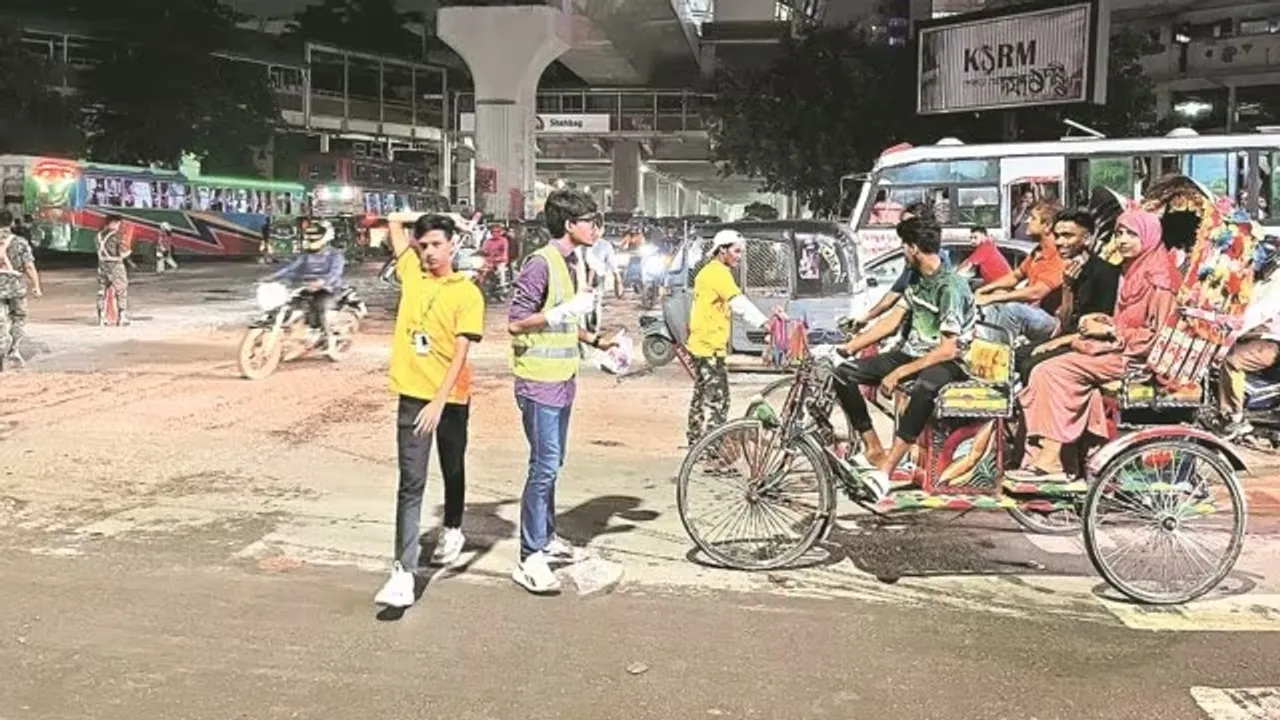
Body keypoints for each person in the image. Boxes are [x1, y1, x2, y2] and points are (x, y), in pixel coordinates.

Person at [1012, 208, 1179, 480]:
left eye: (1132, 234)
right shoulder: (1131, 270)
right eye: (1119, 233)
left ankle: (1051, 459)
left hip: (1135, 359)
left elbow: (1157, 335)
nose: (1123, 240)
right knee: (1042, 367)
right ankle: (1056, 458)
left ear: (1148, 237)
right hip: (1114, 349)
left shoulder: (1158, 279)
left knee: (1052, 371)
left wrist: (1110, 330)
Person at [374, 212, 485, 609]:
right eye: (423, 245)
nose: (429, 252)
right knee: (411, 482)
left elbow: (461, 351)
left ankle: (452, 527)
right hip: (412, 396)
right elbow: (392, 221)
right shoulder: (411, 274)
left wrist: (440, 400)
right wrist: (447, 216)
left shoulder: (466, 292)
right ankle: (403, 572)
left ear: (453, 244)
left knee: (452, 467)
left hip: (450, 399)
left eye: (437, 244)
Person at [507, 188, 615, 594]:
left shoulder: (574, 262)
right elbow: (516, 323)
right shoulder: (541, 263)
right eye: (590, 221)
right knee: (544, 466)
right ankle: (529, 556)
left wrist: (596, 340)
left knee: (553, 463)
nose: (596, 228)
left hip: (562, 379)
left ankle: (547, 538)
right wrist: (561, 312)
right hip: (538, 382)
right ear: (569, 225)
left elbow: (564, 323)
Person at [830, 217, 975, 496]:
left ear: (913, 248)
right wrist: (850, 348)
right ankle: (873, 448)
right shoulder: (919, 280)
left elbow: (947, 348)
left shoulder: (950, 288)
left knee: (924, 389)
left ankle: (886, 472)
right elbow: (893, 321)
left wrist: (898, 374)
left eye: (903, 246)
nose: (903, 252)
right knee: (843, 373)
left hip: (948, 362)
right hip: (912, 354)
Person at [684, 230, 773, 447]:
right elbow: (738, 303)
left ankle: (695, 442)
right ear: (722, 250)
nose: (739, 256)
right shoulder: (717, 274)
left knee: (701, 396)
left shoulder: (710, 271)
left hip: (701, 344)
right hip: (709, 347)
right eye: (735, 251)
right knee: (719, 400)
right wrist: (765, 323)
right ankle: (712, 451)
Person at [1018, 209, 1121, 378]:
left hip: (1090, 344)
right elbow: (1065, 322)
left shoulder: (1105, 272)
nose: (1060, 242)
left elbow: (1101, 325)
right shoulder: (1070, 271)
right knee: (1016, 355)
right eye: (1057, 236)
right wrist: (1067, 287)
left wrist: (1057, 342)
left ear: (1087, 239)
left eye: (1067, 236)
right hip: (1068, 338)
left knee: (1031, 365)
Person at [845, 202, 949, 331]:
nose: (903, 230)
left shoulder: (934, 262)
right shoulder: (914, 263)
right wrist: (864, 318)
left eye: (908, 224)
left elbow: (893, 308)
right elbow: (894, 294)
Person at [974, 200, 1064, 346]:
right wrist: (984, 291)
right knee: (998, 296)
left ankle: (998, 353)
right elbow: (1016, 275)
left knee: (1010, 308)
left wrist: (992, 298)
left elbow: (1037, 292)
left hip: (1050, 320)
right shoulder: (1037, 252)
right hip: (1030, 310)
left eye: (1033, 218)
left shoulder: (1058, 255)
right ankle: (985, 345)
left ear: (1047, 226)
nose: (1027, 221)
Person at [1215, 238, 1280, 438]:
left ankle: (1235, 417)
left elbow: (1261, 312)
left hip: (1272, 341)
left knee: (1232, 360)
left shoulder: (1277, 282)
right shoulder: (1259, 279)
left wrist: (1234, 328)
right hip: (1253, 335)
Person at [264, 224, 345, 350]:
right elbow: (291, 268)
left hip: (328, 290)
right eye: (310, 237)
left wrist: (322, 282)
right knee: (288, 306)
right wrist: (273, 277)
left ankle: (329, 339)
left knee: (320, 307)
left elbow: (335, 274)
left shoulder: (335, 255)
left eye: (315, 237)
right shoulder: (305, 255)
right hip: (306, 288)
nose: (312, 240)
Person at [0, 211, 42, 370]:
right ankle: (13, 350)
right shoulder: (20, 242)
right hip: (15, 286)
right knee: (19, 318)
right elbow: (29, 266)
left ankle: (1, 349)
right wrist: (36, 285)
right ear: (11, 223)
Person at [96, 214, 131, 326]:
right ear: (113, 223)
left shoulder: (98, 236)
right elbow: (122, 253)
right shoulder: (117, 236)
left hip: (102, 266)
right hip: (116, 266)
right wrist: (129, 252)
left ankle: (102, 317)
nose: (119, 225)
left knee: (102, 292)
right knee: (121, 291)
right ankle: (122, 317)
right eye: (118, 223)